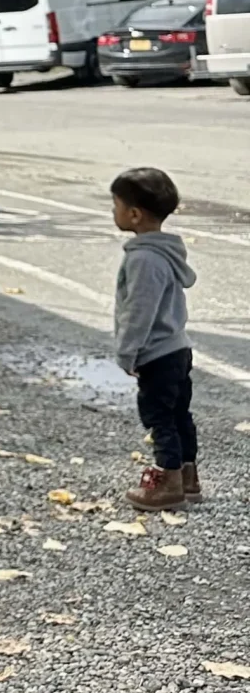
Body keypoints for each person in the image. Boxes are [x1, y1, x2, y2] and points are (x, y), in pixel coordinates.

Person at [112, 165, 200, 511]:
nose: (114, 212)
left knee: (159, 418)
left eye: (116, 205)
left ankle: (167, 483)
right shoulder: (165, 252)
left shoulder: (145, 259)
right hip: (178, 348)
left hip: (157, 354)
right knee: (180, 415)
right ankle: (188, 477)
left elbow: (139, 312)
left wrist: (126, 352)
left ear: (134, 214)